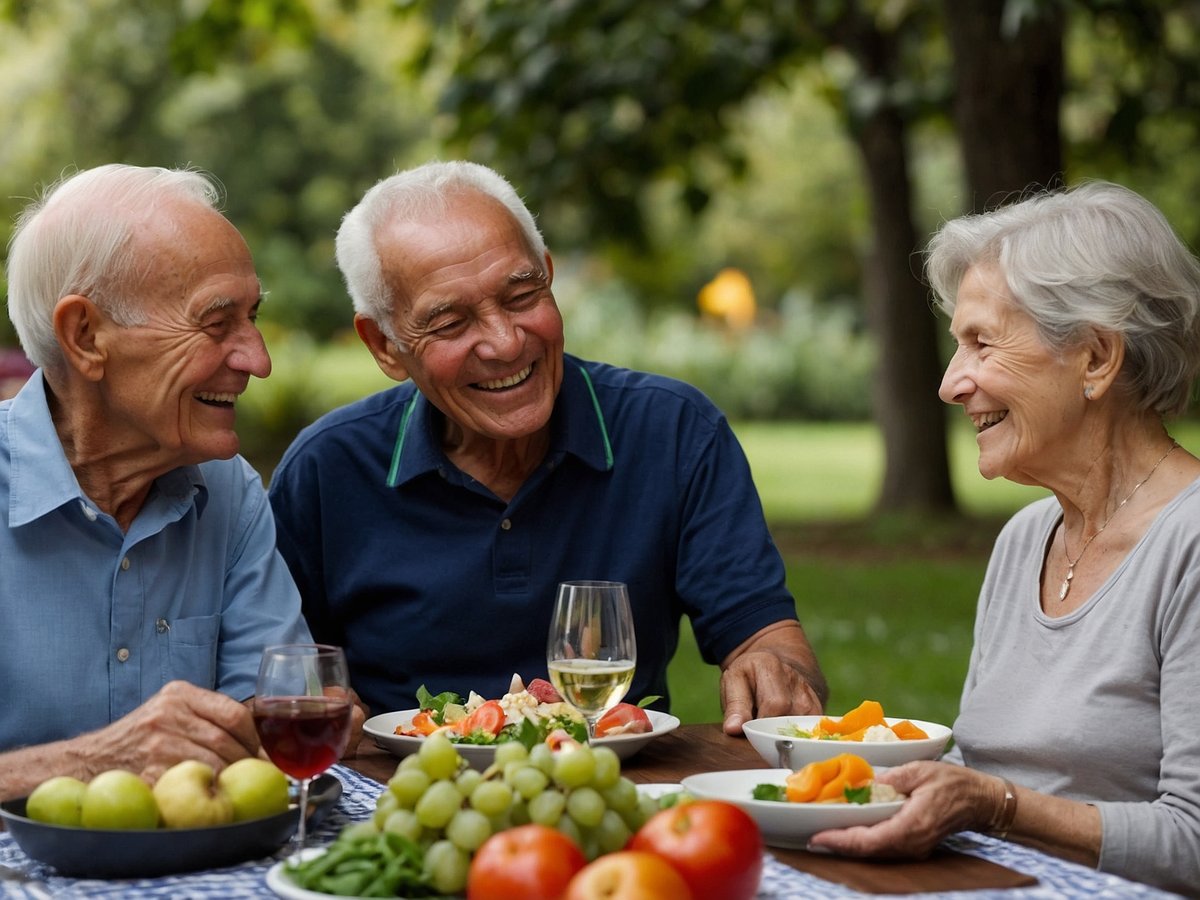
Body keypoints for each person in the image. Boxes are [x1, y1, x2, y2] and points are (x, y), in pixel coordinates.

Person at [268, 160, 828, 735]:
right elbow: (283, 672)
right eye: (451, 322)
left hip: (618, 777)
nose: (506, 343)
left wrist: (772, 668)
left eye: (520, 296)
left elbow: (768, 638)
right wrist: (318, 703)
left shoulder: (674, 430)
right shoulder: (326, 469)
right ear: (384, 345)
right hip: (399, 783)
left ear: (549, 276)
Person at [809, 182, 1200, 896]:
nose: (950, 384)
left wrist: (998, 806)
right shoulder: (1026, 538)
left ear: (1096, 358)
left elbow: (1193, 842)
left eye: (981, 344)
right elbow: (980, 768)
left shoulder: (1190, 545)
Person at [0, 164, 361, 802]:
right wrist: (94, 760)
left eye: (252, 317)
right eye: (216, 323)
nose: (258, 360)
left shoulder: (229, 491)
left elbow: (272, 715)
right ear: (85, 336)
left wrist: (291, 726)